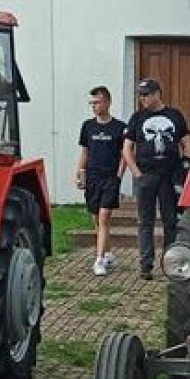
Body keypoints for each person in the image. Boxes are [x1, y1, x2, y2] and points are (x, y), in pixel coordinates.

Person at [123, 78, 190, 280]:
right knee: (145, 221)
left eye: (146, 94)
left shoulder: (175, 115)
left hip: (170, 176)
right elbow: (127, 148)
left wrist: (185, 164)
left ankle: (170, 263)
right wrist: (136, 173)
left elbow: (186, 142)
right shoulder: (137, 118)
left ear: (157, 94)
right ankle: (146, 265)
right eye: (140, 95)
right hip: (146, 175)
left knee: (171, 220)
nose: (142, 98)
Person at [75, 86, 126, 276]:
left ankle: (99, 260)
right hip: (93, 177)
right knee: (97, 218)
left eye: (97, 102)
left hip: (110, 178)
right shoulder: (87, 126)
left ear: (107, 102)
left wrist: (119, 176)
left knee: (104, 217)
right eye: (91, 103)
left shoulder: (120, 127)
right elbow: (85, 152)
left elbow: (125, 154)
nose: (94, 106)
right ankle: (109, 252)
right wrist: (80, 172)